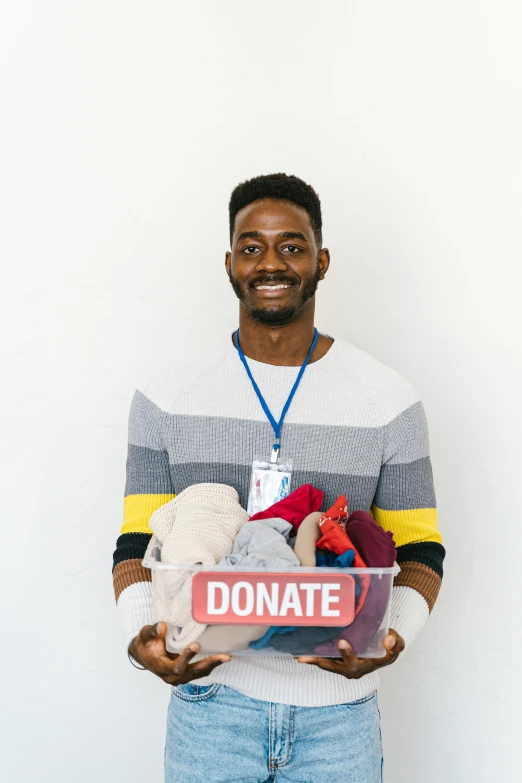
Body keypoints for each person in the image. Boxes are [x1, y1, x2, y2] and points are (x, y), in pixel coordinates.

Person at [112, 173, 445, 782]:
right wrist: (148, 635)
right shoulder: (165, 398)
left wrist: (387, 641)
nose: (271, 262)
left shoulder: (387, 402)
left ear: (321, 261)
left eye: (291, 246)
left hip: (338, 722)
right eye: (252, 246)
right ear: (229, 262)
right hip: (210, 713)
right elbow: (138, 544)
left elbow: (422, 550)